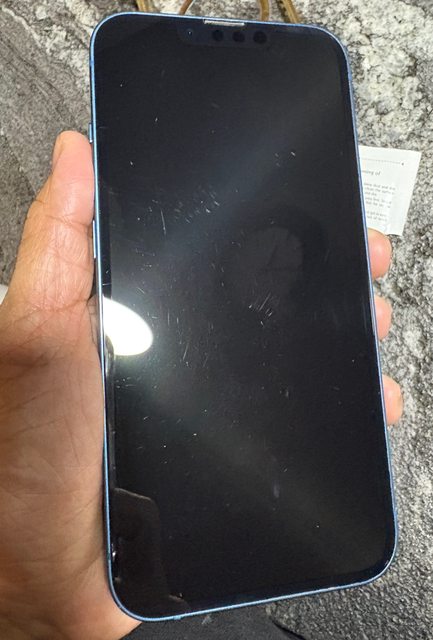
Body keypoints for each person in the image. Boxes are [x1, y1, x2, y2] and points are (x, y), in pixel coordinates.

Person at [0, 132, 403, 640]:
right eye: (272, 249)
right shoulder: (174, 290)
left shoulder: (270, 353)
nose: (276, 266)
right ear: (242, 242)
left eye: (288, 270)